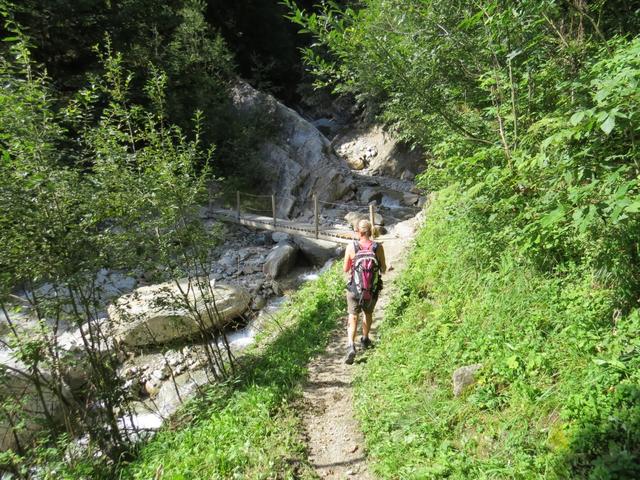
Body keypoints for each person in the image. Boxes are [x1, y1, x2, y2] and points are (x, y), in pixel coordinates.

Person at [343, 219, 386, 365]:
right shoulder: (377, 247)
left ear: (359, 232)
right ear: (370, 231)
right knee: (368, 314)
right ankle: (365, 338)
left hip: (354, 289)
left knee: (353, 316)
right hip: (371, 290)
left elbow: (346, 269)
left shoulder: (351, 247)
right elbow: (383, 268)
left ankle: (351, 345)